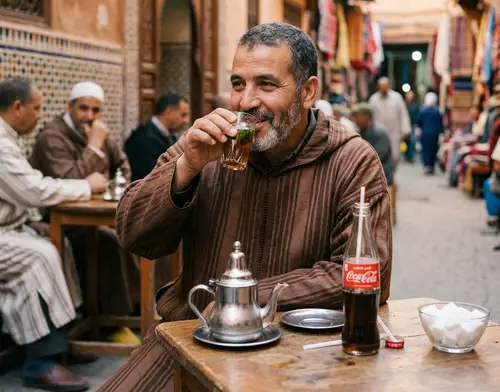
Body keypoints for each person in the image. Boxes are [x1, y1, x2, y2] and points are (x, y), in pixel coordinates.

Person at [99, 22, 392, 391]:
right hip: (191, 338)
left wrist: (243, 299)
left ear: (307, 92)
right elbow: (133, 235)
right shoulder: (205, 145)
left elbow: (365, 277)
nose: (246, 102)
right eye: (238, 84)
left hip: (298, 354)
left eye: (266, 85)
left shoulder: (351, 161)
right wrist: (185, 168)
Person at [30, 82, 169, 330]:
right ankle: (114, 321)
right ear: (70, 106)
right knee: (111, 240)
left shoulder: (98, 131)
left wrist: (114, 186)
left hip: (97, 213)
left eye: (95, 110)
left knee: (140, 232)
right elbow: (67, 182)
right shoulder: (52, 137)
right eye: (83, 108)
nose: (90, 116)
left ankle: (140, 312)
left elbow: (123, 166)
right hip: (59, 220)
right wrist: (93, 146)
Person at [0, 78, 106, 391]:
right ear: (17, 107)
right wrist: (88, 185)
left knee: (57, 244)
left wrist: (33, 222)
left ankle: (66, 338)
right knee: (40, 256)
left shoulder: (10, 138)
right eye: (36, 108)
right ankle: (41, 363)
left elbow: (15, 192)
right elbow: (34, 189)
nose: (40, 114)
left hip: (11, 228)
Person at [125, 92, 190, 181]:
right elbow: (149, 178)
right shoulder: (145, 138)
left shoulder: (170, 136)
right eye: (183, 115)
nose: (186, 120)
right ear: (169, 112)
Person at [369, 77, 411, 170]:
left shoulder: (397, 97)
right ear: (378, 87)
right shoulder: (373, 99)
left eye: (385, 86)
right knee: (379, 155)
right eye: (381, 86)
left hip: (394, 131)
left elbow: (403, 114)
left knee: (395, 156)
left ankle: (391, 178)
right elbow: (370, 117)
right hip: (378, 133)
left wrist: (406, 130)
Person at [351, 103, 393, 186]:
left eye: (357, 116)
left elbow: (376, 156)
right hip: (367, 175)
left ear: (366, 117)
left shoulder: (380, 133)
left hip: (381, 177)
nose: (355, 120)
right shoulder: (361, 131)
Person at [418, 92, 444, 175]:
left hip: (425, 133)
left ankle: (427, 165)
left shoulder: (422, 110)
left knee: (425, 150)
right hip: (434, 134)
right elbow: (440, 124)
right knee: (433, 150)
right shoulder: (437, 111)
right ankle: (431, 166)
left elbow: (419, 122)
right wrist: (441, 133)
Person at [405, 91, 419, 163]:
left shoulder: (415, 105)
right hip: (405, 126)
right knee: (406, 142)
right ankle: (407, 155)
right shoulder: (404, 105)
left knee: (412, 141)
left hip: (412, 125)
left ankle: (411, 156)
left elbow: (417, 116)